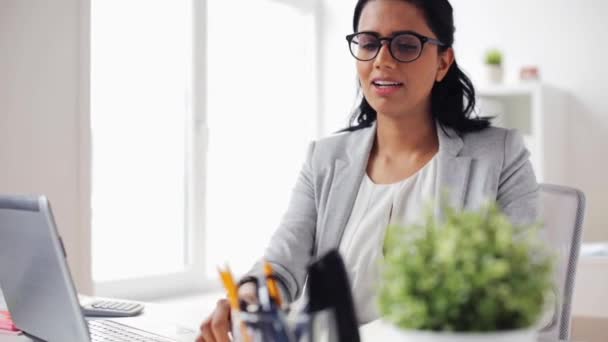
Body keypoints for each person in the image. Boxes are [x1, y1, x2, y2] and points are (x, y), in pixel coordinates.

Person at [196, 0, 538, 340]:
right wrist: (249, 297)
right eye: (369, 43)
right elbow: (282, 265)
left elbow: (525, 289)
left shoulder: (500, 155)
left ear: (442, 62)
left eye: (405, 45)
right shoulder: (325, 159)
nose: (382, 60)